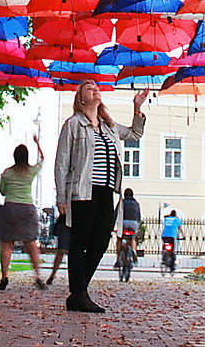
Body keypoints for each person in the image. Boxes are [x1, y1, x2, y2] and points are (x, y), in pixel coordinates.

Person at [54, 81, 148, 313]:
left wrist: (136, 108)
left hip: (107, 191)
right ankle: (79, 295)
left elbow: (135, 134)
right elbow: (62, 162)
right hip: (83, 191)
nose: (95, 89)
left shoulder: (109, 126)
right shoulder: (73, 124)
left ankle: (78, 292)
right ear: (81, 99)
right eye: (88, 88)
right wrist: (62, 196)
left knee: (101, 242)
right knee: (80, 241)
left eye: (97, 87)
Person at [0, 136, 46, 290]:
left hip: (10, 208)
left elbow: (2, 192)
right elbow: (42, 159)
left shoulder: (7, 173)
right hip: (27, 209)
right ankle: (38, 275)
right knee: (31, 244)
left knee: (6, 244)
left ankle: (4, 277)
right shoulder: (30, 172)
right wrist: (37, 143)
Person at [115, 188, 141, 264]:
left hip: (124, 222)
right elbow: (139, 216)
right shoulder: (136, 204)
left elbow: (116, 213)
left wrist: (112, 225)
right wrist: (138, 226)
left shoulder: (122, 202)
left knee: (119, 238)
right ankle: (134, 251)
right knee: (133, 238)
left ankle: (118, 258)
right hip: (134, 223)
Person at [46, 211, 71, 286]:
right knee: (61, 251)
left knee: (67, 252)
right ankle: (52, 275)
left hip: (70, 222)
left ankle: (53, 275)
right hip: (65, 222)